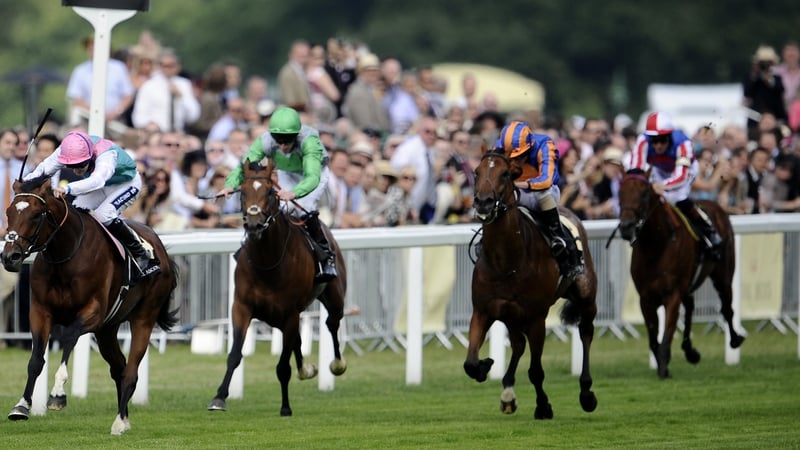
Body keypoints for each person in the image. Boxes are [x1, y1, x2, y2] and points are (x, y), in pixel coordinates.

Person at [217, 106, 337, 282]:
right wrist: (229, 185)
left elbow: (312, 177)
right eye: (278, 139)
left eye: (287, 139)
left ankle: (326, 258)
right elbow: (244, 166)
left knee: (302, 209)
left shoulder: (308, 142)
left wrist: (294, 193)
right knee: (276, 208)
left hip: (312, 174)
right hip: (287, 172)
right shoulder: (264, 141)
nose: (282, 144)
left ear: (296, 135)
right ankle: (255, 248)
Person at [22, 130, 160, 278]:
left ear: (90, 155)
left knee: (104, 215)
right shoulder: (66, 149)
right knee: (75, 213)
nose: (76, 170)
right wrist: (24, 184)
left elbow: (97, 181)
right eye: (72, 166)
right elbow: (45, 168)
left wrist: (68, 188)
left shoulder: (107, 156)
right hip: (102, 186)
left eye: (81, 164)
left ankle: (141, 253)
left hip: (125, 184)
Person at [494, 120, 584, 282]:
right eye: (509, 157)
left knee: (544, 193)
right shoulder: (499, 147)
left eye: (519, 157)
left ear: (529, 147)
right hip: (513, 192)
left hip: (541, 192)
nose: (513, 162)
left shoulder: (545, 145)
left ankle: (559, 237)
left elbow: (547, 180)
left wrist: (519, 184)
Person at [628, 112, 723, 259]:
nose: (658, 145)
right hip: (660, 169)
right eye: (654, 140)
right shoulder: (642, 141)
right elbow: (635, 171)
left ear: (670, 136)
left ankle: (709, 231)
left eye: (662, 140)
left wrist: (661, 186)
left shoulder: (683, 143)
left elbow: (680, 177)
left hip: (686, 171)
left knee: (676, 197)